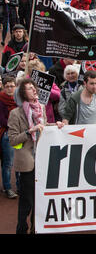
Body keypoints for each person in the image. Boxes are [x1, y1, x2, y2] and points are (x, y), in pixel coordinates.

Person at [7, 79, 64, 234]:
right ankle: (25, 228)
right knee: (29, 200)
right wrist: (29, 132)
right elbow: (13, 140)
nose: (34, 90)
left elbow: (44, 127)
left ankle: (30, 228)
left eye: (34, 88)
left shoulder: (40, 108)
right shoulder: (15, 113)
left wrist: (56, 125)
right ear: (23, 93)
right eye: (30, 89)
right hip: (26, 163)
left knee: (32, 200)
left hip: (41, 160)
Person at [0, 76, 18, 199]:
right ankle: (8, 187)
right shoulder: (1, 100)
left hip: (20, 134)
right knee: (8, 163)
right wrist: (15, 125)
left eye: (12, 86)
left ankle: (19, 186)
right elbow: (2, 119)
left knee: (18, 161)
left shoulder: (19, 99)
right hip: (7, 133)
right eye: (7, 86)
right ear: (3, 87)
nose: (10, 89)